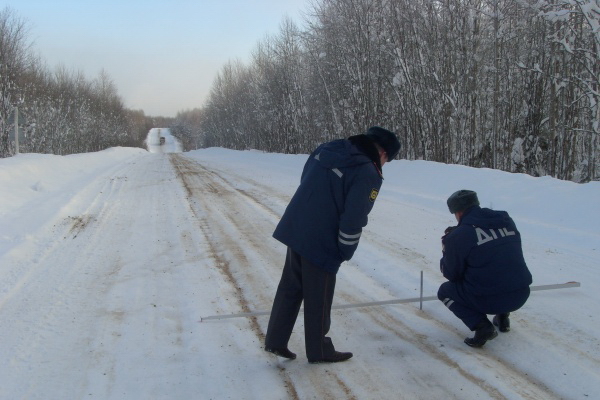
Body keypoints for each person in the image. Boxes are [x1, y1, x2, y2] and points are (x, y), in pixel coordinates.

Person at [264, 126, 401, 363]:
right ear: (382, 153)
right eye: (387, 160)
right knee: (320, 296)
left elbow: (307, 178)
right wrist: (345, 250)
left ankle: (276, 340)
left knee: (290, 287)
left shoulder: (327, 148)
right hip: (323, 241)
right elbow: (354, 217)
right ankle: (319, 350)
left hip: (297, 225)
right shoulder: (368, 172)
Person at [438, 190, 533, 347]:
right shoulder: (505, 220)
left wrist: (447, 248)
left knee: (445, 291)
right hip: (521, 294)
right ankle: (503, 319)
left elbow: (451, 274)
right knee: (499, 264)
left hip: (489, 300)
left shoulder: (458, 236)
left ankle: (482, 327)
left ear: (458, 212)